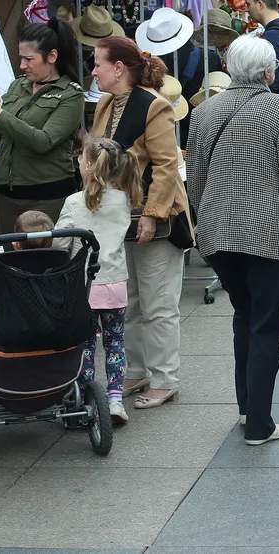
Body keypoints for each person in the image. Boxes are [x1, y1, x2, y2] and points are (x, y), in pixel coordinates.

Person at [187, 35, 279, 446]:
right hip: (268, 231)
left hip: (216, 230)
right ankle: (259, 425)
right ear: (267, 72)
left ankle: (247, 408)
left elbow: (195, 176)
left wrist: (202, 220)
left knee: (243, 317)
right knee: (265, 323)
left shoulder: (204, 112)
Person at [90, 36, 191, 410]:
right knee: (126, 300)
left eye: (98, 63)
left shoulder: (155, 106)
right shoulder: (104, 103)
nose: (93, 70)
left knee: (159, 302)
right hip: (117, 218)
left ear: (119, 68)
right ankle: (136, 369)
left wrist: (151, 214)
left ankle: (165, 377)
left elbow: (167, 166)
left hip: (156, 221)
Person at [54, 136, 142, 426]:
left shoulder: (74, 202)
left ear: (88, 164)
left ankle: (86, 400)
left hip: (85, 288)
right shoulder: (125, 200)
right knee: (116, 343)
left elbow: (61, 242)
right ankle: (115, 400)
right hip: (115, 285)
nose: (78, 162)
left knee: (87, 346)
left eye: (80, 159)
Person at [0, 19, 85, 228]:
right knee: (12, 259)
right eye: (21, 58)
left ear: (52, 56)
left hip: (47, 197)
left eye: (29, 59)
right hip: (8, 196)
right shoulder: (18, 86)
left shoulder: (70, 95)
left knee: (47, 258)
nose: (22, 66)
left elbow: (43, 142)